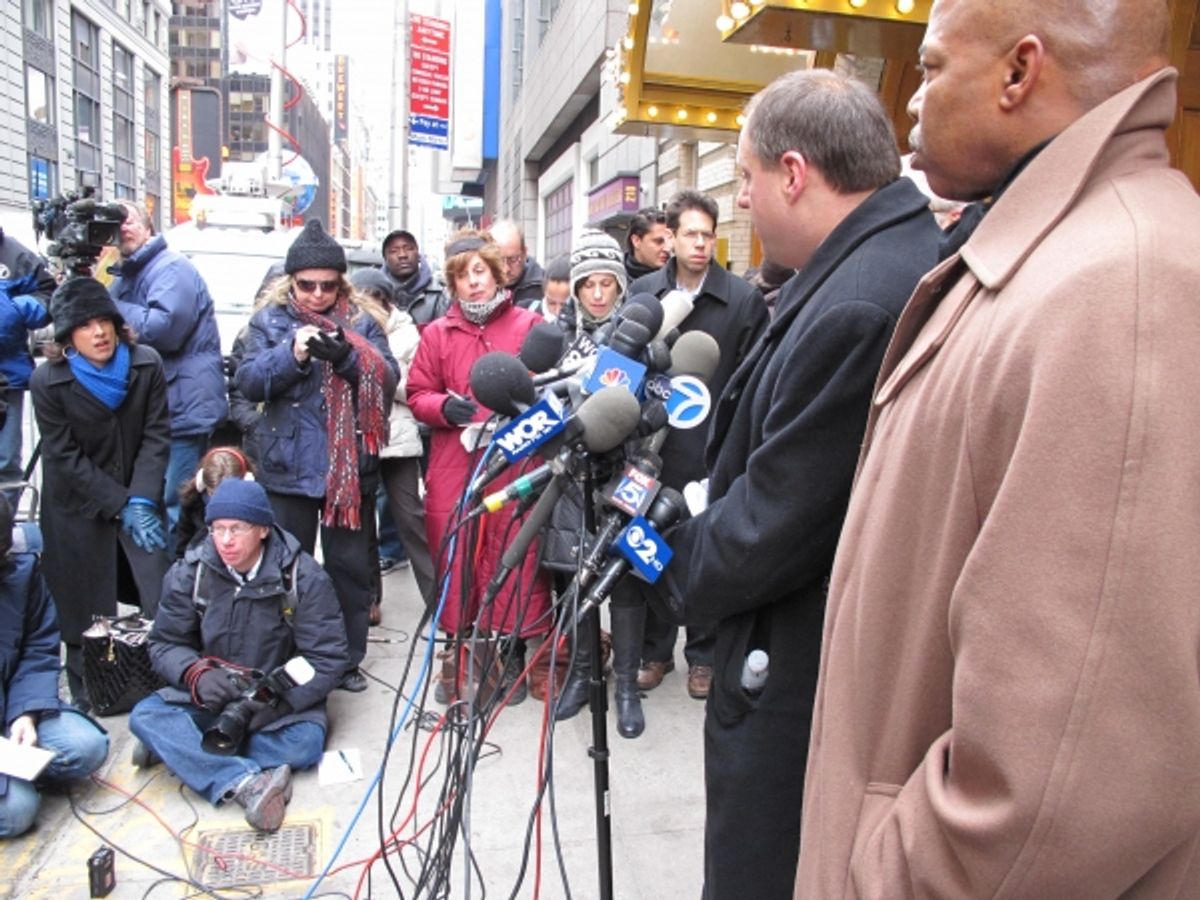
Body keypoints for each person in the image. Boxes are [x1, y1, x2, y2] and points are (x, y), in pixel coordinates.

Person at [797, 2, 1200, 897]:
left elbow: (1062, 791)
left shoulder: (1119, 291)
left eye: (933, 67)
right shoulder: (1056, 260)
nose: (908, 99)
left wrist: (880, 876)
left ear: (1019, 73)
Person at [652, 71, 941, 898]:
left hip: (797, 677)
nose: (739, 202)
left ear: (792, 172)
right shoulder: (866, 263)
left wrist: (672, 565)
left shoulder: (860, 299)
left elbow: (776, 521)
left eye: (743, 178)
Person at [129, 478, 349, 833]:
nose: (226, 539)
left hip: (273, 699)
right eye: (218, 529)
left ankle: (183, 753)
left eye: (237, 528)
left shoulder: (303, 576)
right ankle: (246, 782)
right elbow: (164, 643)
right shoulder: (191, 573)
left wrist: (277, 702)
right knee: (145, 715)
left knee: (305, 745)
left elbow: (328, 658)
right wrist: (195, 675)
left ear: (262, 529)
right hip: (210, 692)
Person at [234, 220, 398, 694]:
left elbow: (386, 379)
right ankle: (290, 652)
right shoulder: (269, 322)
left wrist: (346, 357)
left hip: (347, 473)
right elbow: (247, 381)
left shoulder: (362, 322)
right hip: (287, 465)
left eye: (329, 285)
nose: (318, 294)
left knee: (349, 569)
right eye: (307, 285)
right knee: (287, 566)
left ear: (341, 283)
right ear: (291, 282)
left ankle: (346, 659)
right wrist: (294, 354)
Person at [628, 189, 769, 703]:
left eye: (708, 235)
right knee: (649, 549)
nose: (700, 244)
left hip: (713, 449)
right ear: (669, 238)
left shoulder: (742, 300)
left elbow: (755, 377)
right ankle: (654, 649)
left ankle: (704, 656)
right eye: (690, 233)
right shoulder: (644, 293)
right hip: (650, 447)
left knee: (707, 549)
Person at [407, 228, 552, 704]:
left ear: (496, 274)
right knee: (458, 547)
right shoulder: (437, 333)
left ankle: (508, 650)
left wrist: (516, 407)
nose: (473, 283)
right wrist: (442, 409)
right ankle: (463, 652)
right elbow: (418, 391)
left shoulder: (526, 326)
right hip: (455, 460)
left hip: (513, 455)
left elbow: (544, 386)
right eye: (462, 276)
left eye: (479, 272)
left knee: (513, 546)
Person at [31, 277, 172, 709]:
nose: (99, 332)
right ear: (67, 337)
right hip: (78, 507)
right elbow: (63, 456)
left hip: (139, 494)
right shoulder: (47, 381)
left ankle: (164, 678)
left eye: (105, 321)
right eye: (86, 325)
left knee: (160, 593)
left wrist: (143, 499)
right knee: (82, 607)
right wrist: (119, 502)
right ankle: (88, 691)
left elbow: (156, 435)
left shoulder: (145, 364)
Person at [540, 229, 653, 733]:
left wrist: (643, 420)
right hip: (571, 474)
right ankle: (584, 676)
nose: (600, 293)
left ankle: (627, 685)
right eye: (590, 284)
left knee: (626, 582)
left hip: (629, 470)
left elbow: (668, 404)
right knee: (575, 576)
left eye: (609, 283)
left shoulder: (646, 342)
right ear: (577, 289)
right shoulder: (557, 341)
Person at [108, 201, 228, 537]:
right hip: (161, 406)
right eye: (115, 223)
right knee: (158, 501)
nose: (123, 228)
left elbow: (162, 329)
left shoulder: (170, 268)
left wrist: (105, 303)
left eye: (128, 220)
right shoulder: (127, 273)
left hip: (181, 409)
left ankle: (181, 578)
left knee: (178, 503)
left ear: (148, 225)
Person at [0, 495, 109, 838]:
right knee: (17, 812)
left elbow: (38, 646)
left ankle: (17, 772)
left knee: (88, 747)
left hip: (10, 707)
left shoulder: (20, 565)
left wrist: (26, 713)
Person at [349, 267, 438, 621]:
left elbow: (414, 386)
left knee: (411, 519)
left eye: (376, 296)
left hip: (397, 436)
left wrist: (381, 375)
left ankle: (438, 598)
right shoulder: (347, 325)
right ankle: (370, 598)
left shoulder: (407, 333)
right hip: (358, 436)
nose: (369, 304)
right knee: (361, 522)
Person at [0, 228, 55, 507]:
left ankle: (3, 534)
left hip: (6, 379)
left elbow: (48, 295)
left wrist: (13, 309)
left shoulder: (14, 253)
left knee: (6, 463)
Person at [173, 445, 256, 559]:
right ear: (202, 484)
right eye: (213, 494)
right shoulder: (191, 504)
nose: (220, 501)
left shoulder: (256, 507)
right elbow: (181, 550)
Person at [377, 228, 449, 327]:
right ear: (385, 259)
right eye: (394, 251)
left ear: (418, 254)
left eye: (409, 249)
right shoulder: (375, 296)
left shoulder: (439, 296)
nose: (402, 255)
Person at [489, 219, 545, 308]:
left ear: (525, 253)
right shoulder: (480, 288)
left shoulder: (544, 287)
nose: (505, 269)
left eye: (513, 259)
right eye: (498, 260)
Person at [623, 206, 672, 282]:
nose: (667, 248)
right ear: (636, 241)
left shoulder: (679, 279)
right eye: (659, 241)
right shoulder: (614, 279)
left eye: (670, 240)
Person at [530, 255, 570, 322]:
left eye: (564, 305)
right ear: (544, 292)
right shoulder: (527, 311)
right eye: (551, 303)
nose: (557, 312)